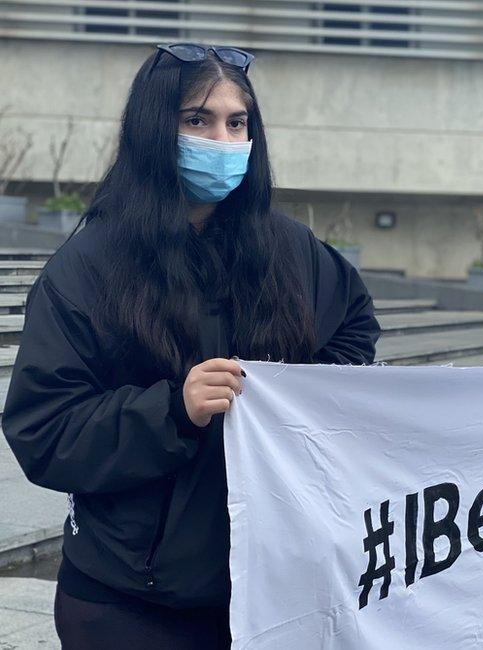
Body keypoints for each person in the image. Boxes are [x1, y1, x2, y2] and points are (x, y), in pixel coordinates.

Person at [2, 43, 380, 649]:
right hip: (130, 600)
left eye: (238, 122)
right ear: (155, 129)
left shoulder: (291, 250)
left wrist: (305, 396)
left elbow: (354, 329)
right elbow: (45, 429)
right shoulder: (89, 267)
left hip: (270, 587)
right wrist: (173, 409)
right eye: (197, 120)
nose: (222, 139)